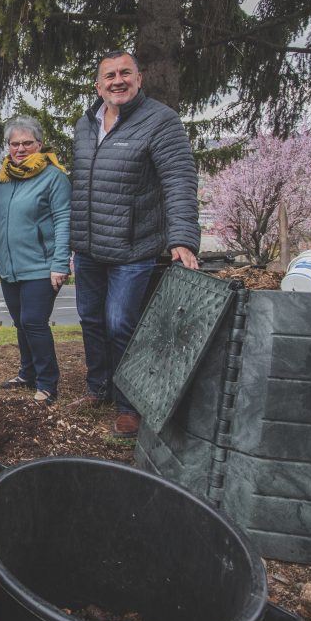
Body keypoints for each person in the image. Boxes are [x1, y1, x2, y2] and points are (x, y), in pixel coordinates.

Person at [71, 50, 200, 438]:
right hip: (89, 246)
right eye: (109, 75)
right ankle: (100, 387)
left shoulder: (160, 121)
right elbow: (80, 186)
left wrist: (181, 237)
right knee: (92, 321)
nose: (117, 80)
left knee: (121, 323)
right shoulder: (85, 124)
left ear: (139, 79)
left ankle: (130, 406)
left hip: (133, 247)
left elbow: (179, 179)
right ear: (98, 86)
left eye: (125, 72)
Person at [0, 117, 71, 404]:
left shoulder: (54, 177)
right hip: (9, 267)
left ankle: (47, 383)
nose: (20, 149)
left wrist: (60, 264)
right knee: (21, 323)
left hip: (41, 267)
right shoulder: (2, 178)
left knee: (34, 322)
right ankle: (27, 373)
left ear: (39, 145)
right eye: (14, 144)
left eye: (27, 143)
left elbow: (62, 221)